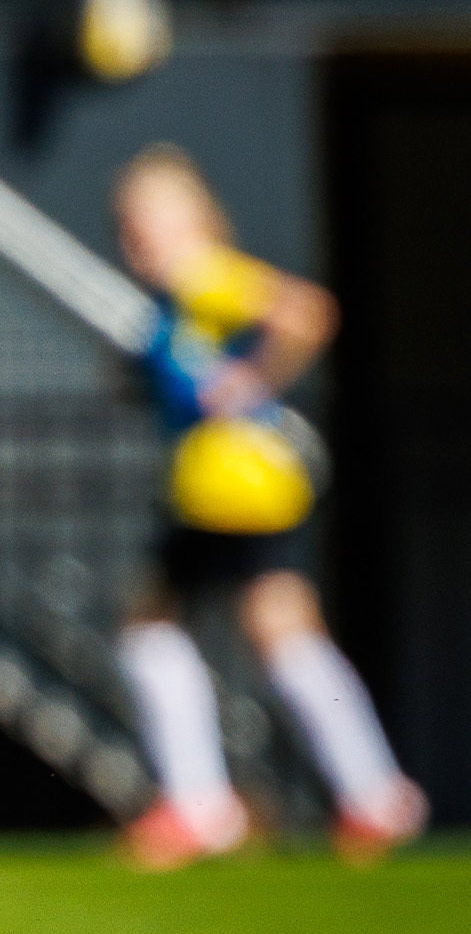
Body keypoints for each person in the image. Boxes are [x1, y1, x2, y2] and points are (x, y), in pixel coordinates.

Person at [108, 146, 425, 867]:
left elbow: (307, 313)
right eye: (130, 225)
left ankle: (202, 805)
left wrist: (247, 381)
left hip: (235, 484)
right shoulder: (174, 297)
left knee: (152, 625)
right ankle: (373, 796)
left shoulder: (203, 274)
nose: (139, 239)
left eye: (151, 219)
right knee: (275, 634)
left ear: (193, 217)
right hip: (223, 486)